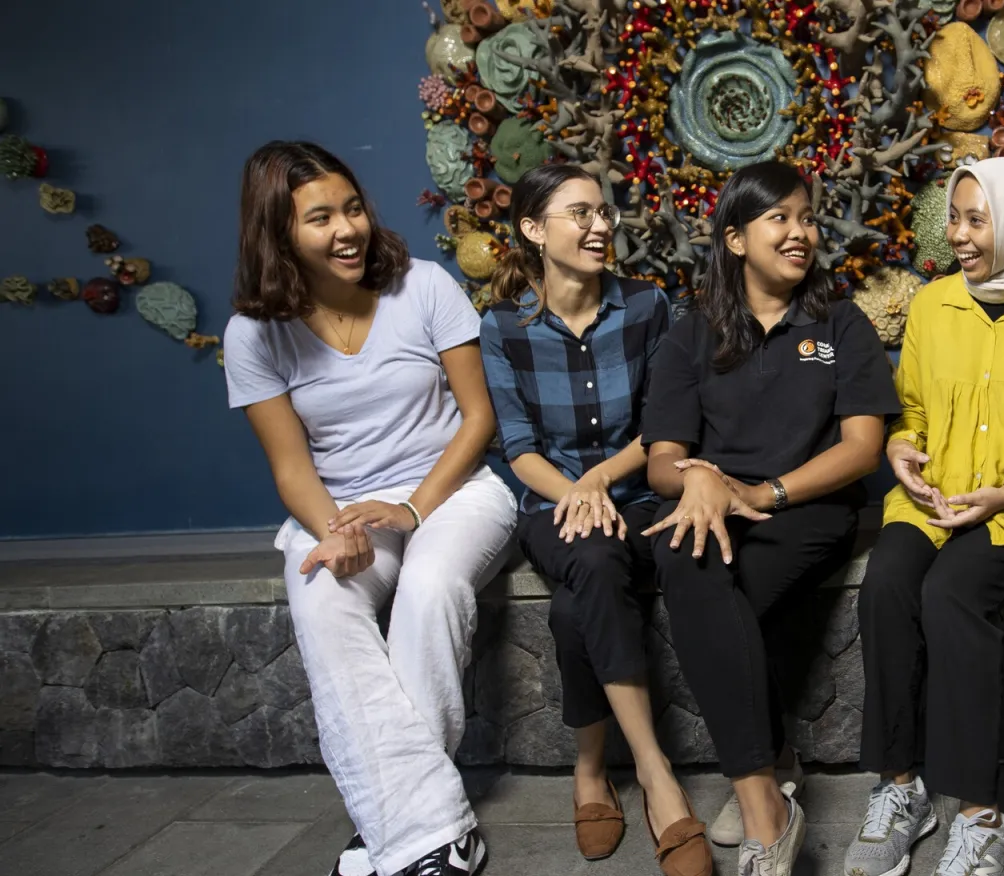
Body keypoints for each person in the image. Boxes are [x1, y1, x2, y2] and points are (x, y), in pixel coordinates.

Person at [223, 141, 514, 876]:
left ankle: (396, 827)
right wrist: (333, 527)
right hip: (343, 510)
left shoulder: (424, 287)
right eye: (320, 218)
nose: (347, 228)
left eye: (352, 207)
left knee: (429, 588)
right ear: (278, 232)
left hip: (453, 491)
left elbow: (478, 419)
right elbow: (290, 466)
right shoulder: (253, 333)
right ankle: (431, 832)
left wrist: (414, 510)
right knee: (323, 602)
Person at [844, 157, 1004, 876]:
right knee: (888, 584)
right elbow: (916, 412)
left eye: (975, 219)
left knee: (951, 594)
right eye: (954, 217)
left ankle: (980, 816)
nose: (957, 235)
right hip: (933, 498)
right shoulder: (933, 305)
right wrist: (902, 448)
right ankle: (901, 791)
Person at [639, 160, 900, 876]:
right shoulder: (689, 334)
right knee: (686, 560)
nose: (800, 232)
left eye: (807, 217)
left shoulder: (841, 323)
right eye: (779, 218)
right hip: (715, 505)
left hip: (806, 509)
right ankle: (768, 807)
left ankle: (768, 774)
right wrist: (702, 482)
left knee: (722, 596)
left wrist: (766, 494)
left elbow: (862, 448)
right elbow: (664, 459)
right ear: (734, 238)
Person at [478, 163, 710, 876]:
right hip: (550, 503)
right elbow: (516, 445)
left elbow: (661, 424)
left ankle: (591, 768)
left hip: (636, 496)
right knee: (594, 559)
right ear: (532, 229)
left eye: (603, 212)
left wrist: (600, 483)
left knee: (579, 602)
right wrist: (574, 493)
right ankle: (655, 772)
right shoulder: (503, 326)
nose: (601, 226)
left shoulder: (647, 307)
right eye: (579, 214)